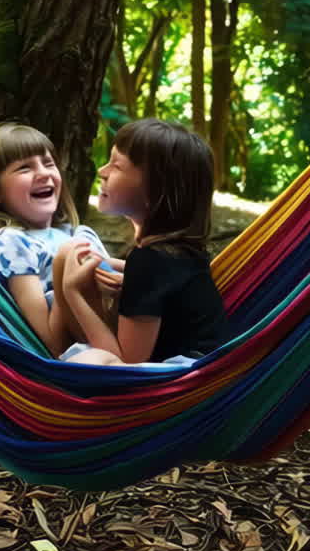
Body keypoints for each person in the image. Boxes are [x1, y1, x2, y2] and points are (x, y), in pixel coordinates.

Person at [61, 119, 231, 366]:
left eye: (116, 166)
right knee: (66, 255)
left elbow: (126, 362)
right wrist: (116, 267)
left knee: (92, 360)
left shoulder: (149, 263)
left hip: (174, 386)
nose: (102, 171)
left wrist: (72, 292)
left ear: (155, 191)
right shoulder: (179, 253)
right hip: (204, 377)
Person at [0, 122, 123, 357]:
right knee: (70, 253)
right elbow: (50, 343)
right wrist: (69, 284)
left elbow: (115, 286)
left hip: (122, 335)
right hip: (78, 350)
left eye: (49, 163)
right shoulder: (10, 242)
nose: (44, 173)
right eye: (24, 168)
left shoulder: (78, 233)